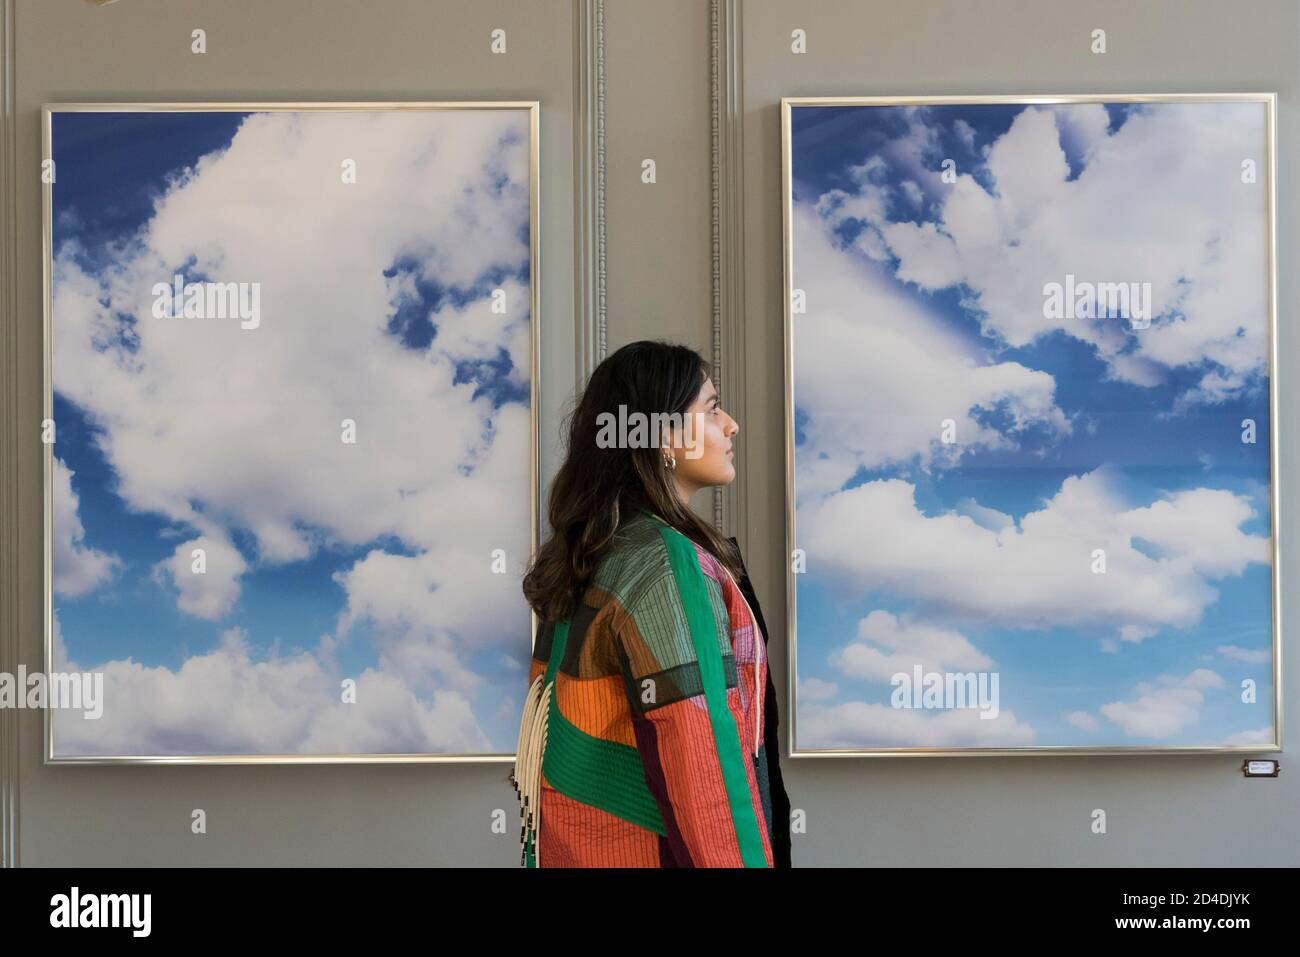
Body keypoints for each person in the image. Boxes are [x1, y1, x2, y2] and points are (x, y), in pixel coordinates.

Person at [512, 339, 791, 867]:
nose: (730, 425)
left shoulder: (596, 554)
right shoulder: (666, 568)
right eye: (711, 409)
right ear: (662, 435)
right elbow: (706, 769)